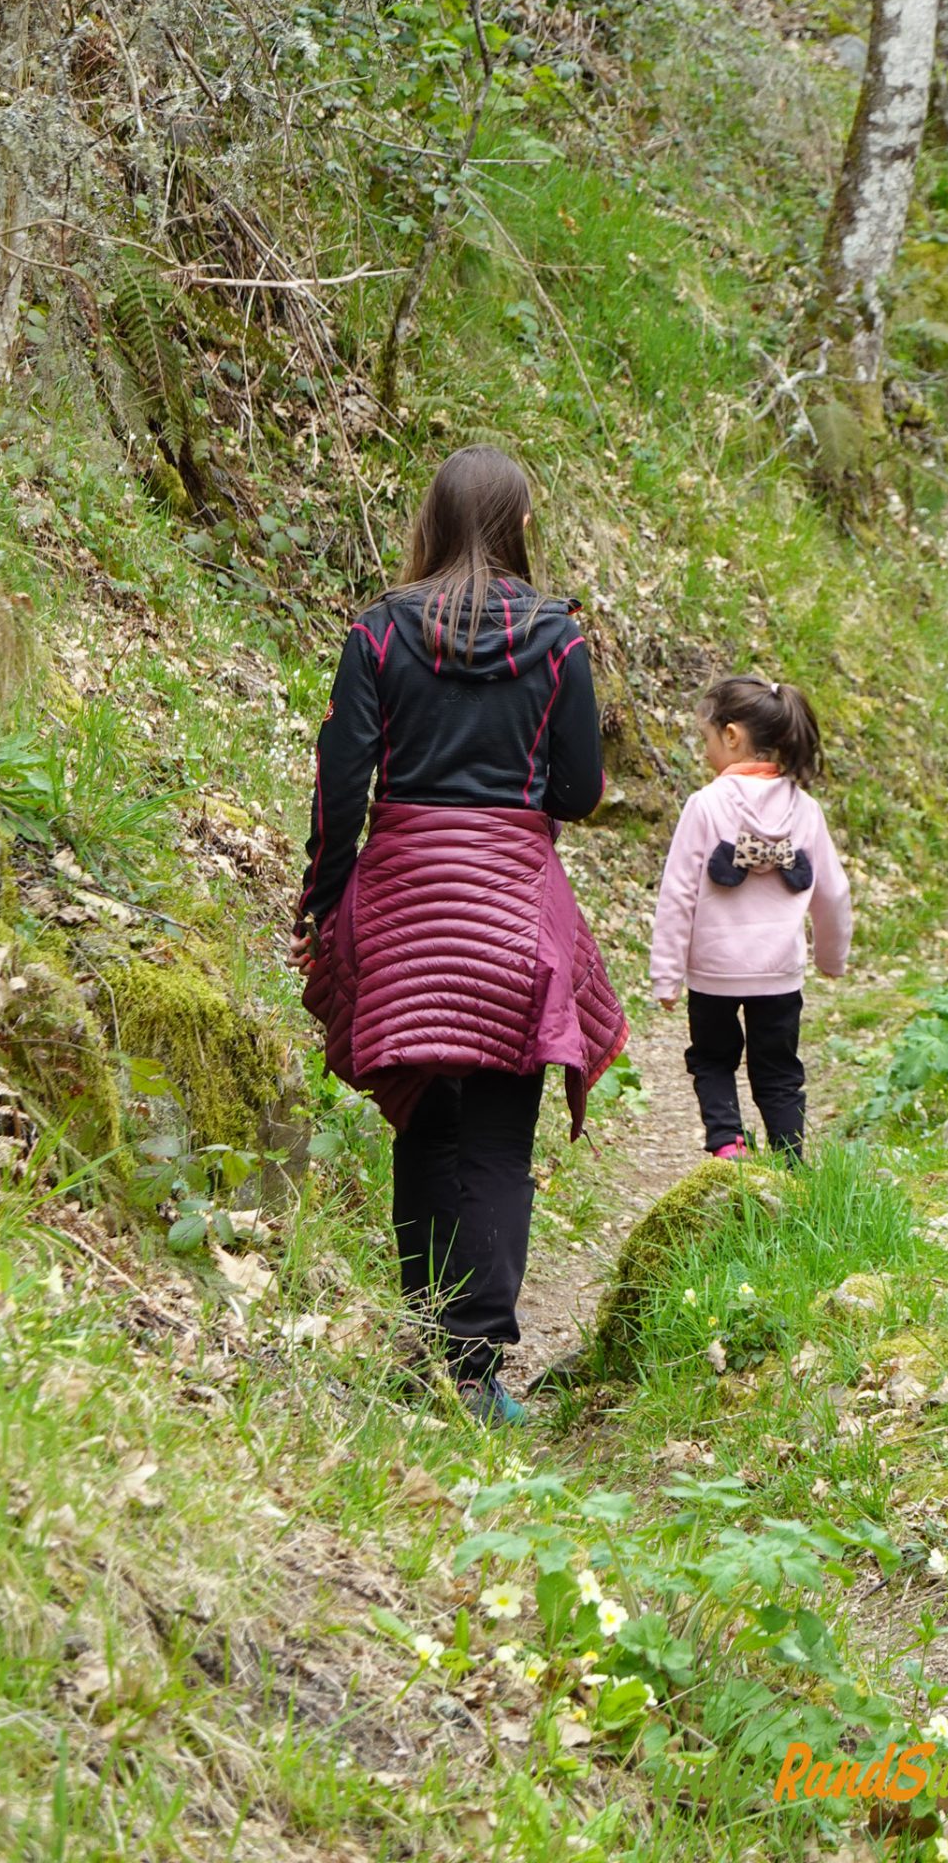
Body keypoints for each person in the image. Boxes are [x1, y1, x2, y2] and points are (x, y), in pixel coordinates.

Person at [289, 445, 625, 1427]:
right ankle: (474, 1373)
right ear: (519, 524)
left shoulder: (376, 631)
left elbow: (338, 787)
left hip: (402, 905)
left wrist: (322, 907)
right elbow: (581, 790)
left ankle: (425, 1348)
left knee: (424, 1126)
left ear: (431, 521)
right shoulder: (558, 638)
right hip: (514, 909)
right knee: (497, 1140)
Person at [649, 674, 851, 1161]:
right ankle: (789, 1160)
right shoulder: (805, 808)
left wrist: (667, 975)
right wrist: (831, 957)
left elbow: (677, 894)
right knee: (779, 1070)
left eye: (707, 739)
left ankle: (728, 1146)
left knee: (712, 1059)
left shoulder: (705, 805)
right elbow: (833, 892)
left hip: (714, 972)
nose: (705, 752)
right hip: (779, 971)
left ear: (732, 735)